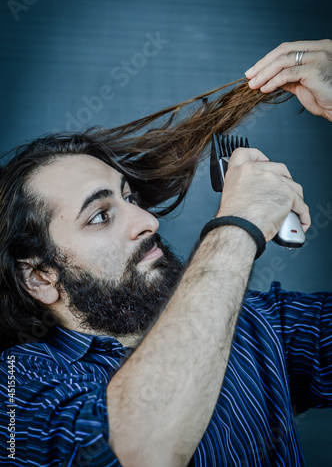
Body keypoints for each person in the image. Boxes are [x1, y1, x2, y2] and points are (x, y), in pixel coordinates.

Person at [0, 39, 331, 467]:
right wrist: (238, 224)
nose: (147, 221)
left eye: (130, 197)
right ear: (40, 277)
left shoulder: (259, 326)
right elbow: (139, 451)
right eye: (100, 216)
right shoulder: (17, 384)